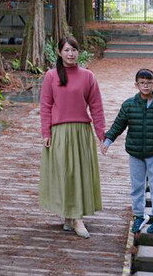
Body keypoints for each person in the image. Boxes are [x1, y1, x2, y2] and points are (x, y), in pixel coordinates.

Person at [39, 36, 106, 238]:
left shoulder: (88, 76)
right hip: (59, 132)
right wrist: (46, 132)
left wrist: (102, 135)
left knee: (79, 174)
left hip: (81, 133)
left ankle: (77, 218)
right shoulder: (51, 76)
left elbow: (96, 107)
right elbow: (46, 106)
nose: (70, 54)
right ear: (60, 52)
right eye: (67, 50)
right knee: (64, 174)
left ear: (79, 52)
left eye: (74, 50)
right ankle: (68, 215)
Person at [101, 68, 153, 235]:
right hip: (135, 153)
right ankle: (139, 215)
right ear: (136, 85)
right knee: (137, 186)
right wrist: (108, 140)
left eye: (149, 83)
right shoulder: (129, 105)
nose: (145, 85)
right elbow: (118, 124)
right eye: (142, 82)